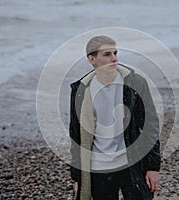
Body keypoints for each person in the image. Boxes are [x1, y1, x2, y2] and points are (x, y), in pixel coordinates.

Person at [69, 35, 161, 200]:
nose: (114, 58)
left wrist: (153, 167)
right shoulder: (81, 91)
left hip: (130, 163)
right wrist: (78, 177)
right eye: (106, 54)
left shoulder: (135, 83)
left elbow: (150, 125)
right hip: (99, 167)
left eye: (115, 53)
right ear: (92, 59)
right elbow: (75, 135)